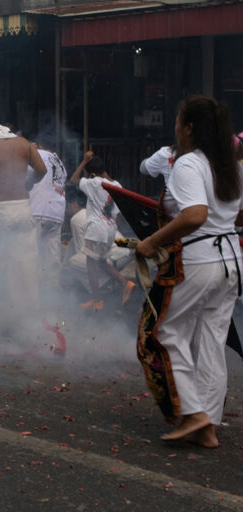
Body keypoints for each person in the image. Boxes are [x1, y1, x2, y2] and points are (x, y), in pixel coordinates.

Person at [136, 96, 243, 448]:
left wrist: (151, 242)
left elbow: (194, 214)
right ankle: (207, 425)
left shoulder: (189, 164)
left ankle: (194, 413)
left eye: (178, 121)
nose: (175, 128)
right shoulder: (230, 164)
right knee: (212, 340)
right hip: (231, 261)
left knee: (164, 333)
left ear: (190, 128)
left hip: (198, 260)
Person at [0, 116, 46, 314]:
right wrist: (29, 182)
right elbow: (42, 170)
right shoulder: (24, 143)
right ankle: (27, 311)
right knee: (25, 263)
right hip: (23, 208)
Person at [70, 153, 135, 310]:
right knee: (100, 261)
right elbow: (119, 214)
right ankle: (125, 284)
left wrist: (84, 161)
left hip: (96, 229)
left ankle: (97, 299)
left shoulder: (93, 182)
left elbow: (73, 179)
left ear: (92, 173)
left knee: (91, 262)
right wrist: (111, 227)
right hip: (110, 229)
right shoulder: (118, 185)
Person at [28, 143, 67, 288]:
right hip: (56, 213)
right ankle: (52, 291)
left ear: (37, 145)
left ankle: (33, 290)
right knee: (52, 255)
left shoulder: (37, 155)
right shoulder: (59, 162)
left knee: (32, 252)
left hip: (38, 209)